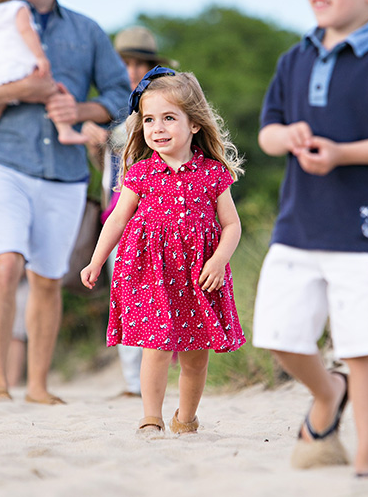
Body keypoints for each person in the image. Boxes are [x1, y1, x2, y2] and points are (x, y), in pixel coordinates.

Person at [253, 0, 368, 481]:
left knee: (365, 346)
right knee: (278, 335)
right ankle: (328, 394)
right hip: (298, 226)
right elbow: (267, 132)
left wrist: (343, 153)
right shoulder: (294, 58)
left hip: (367, 231)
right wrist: (289, 136)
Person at [0, 0, 130, 404]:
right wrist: (18, 93)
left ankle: (39, 387)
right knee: (4, 265)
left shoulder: (87, 31)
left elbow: (120, 96)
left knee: (48, 278)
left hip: (66, 173)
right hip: (4, 159)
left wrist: (83, 111)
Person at [81, 67, 245, 435]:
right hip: (150, 273)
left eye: (169, 118)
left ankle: (186, 419)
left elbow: (232, 225)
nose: (158, 128)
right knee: (154, 347)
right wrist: (95, 260)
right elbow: (117, 220)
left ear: (195, 125)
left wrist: (219, 260)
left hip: (200, 276)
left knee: (195, 356)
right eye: (150, 120)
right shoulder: (139, 172)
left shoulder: (213, 173)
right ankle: (150, 417)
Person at [84, 27, 178, 399]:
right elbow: (107, 171)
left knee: (165, 293)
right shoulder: (108, 108)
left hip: (160, 215)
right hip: (118, 212)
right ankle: (131, 381)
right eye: (125, 62)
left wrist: (106, 137)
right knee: (124, 295)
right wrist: (97, 145)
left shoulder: (160, 109)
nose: (133, 70)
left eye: (141, 63)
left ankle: (156, 377)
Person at [0, 0, 87, 145]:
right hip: (24, 67)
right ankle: (65, 130)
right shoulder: (17, 8)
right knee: (52, 92)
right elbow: (27, 32)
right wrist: (41, 57)